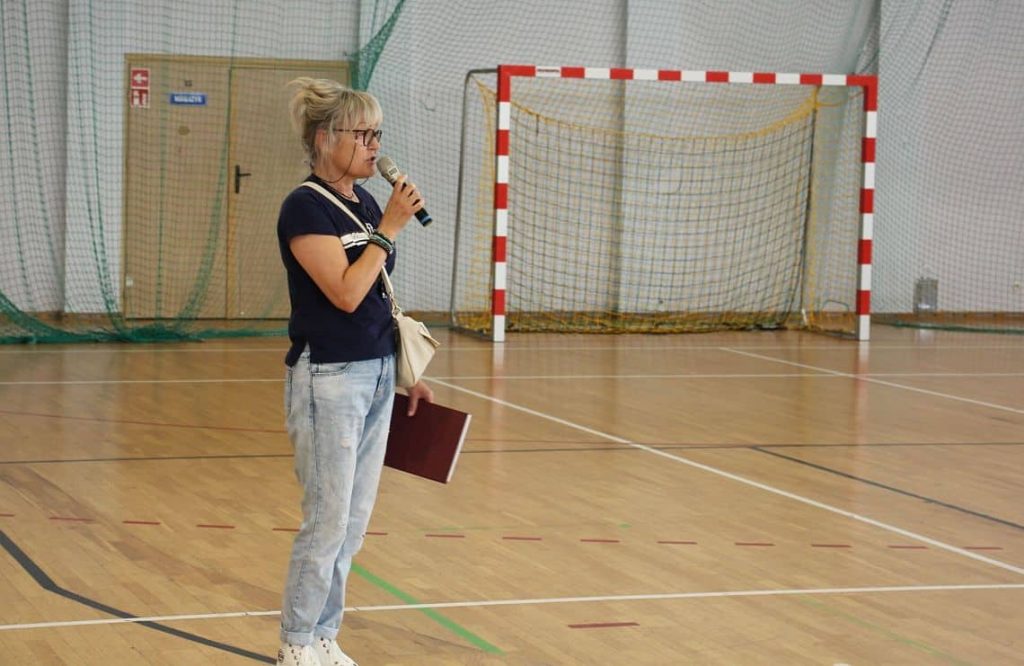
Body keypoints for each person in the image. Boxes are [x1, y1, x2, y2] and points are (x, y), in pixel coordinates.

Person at [275, 77, 434, 666]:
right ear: (324, 138)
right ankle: (296, 641)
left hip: (376, 371)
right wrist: (387, 230)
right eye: (362, 134)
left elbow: (375, 296)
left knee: (354, 523)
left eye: (377, 134)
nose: (374, 146)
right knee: (326, 520)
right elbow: (344, 293)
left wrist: (405, 369)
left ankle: (324, 633)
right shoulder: (305, 207)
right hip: (329, 377)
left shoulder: (365, 203)